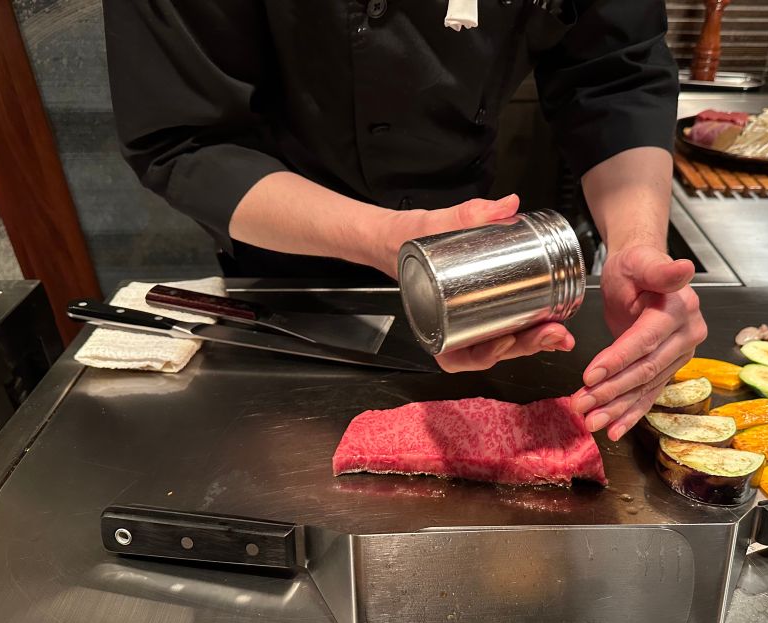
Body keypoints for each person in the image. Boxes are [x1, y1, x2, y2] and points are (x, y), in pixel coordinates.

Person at [102, 0, 707, 441]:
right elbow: (185, 140)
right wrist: (379, 238)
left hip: (464, 254)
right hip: (286, 270)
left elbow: (614, 73)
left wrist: (636, 243)